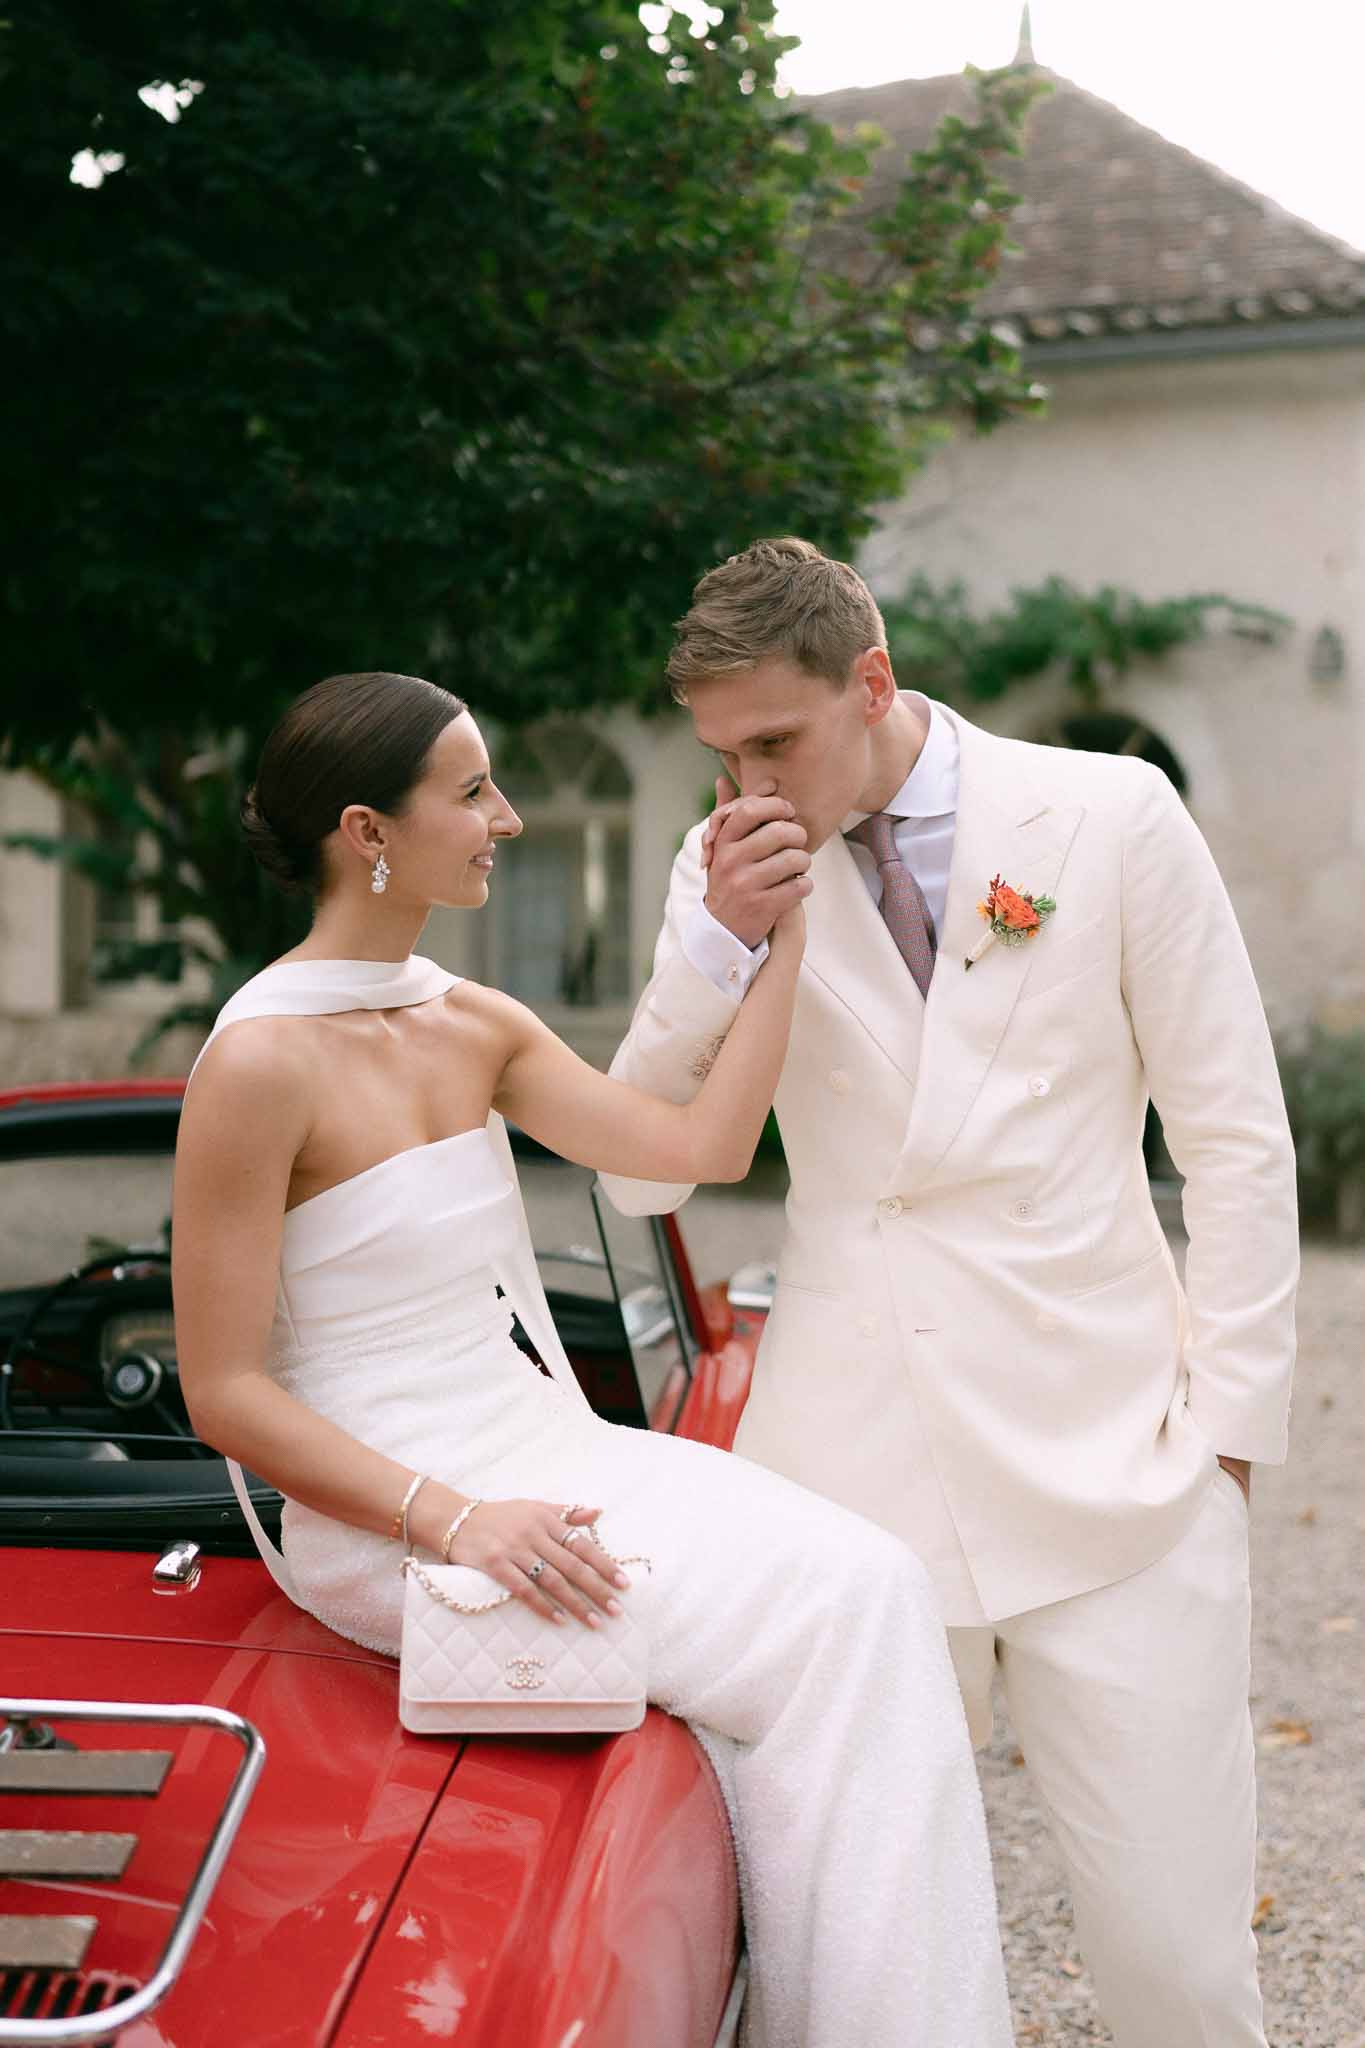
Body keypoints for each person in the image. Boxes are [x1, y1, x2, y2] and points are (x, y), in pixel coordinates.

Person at [171, 669, 1013, 2048]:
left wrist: (777, 936)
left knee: (875, 1582)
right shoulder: (257, 1066)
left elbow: (697, 1152)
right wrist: (458, 1519)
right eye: (474, 791)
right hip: (390, 1513)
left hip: (544, 1451)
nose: (504, 817)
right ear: (365, 830)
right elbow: (226, 1392)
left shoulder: (473, 1020)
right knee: (841, 1620)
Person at [602, 538, 1299, 2048]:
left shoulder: (1109, 814)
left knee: (1177, 1962)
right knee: (860, 1965)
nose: (750, 790)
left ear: (871, 682)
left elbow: (1234, 1134)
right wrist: (716, 947)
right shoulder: (721, 870)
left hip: (1119, 1458)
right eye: (722, 757)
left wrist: (1229, 1440)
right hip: (853, 1478)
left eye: (775, 742)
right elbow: (639, 1177)